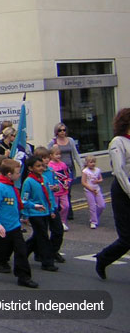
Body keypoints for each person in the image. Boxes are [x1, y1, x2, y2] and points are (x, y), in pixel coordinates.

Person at [0, 159, 44, 288]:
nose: (19, 175)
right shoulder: (0, 187)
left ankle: (23, 277)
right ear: (9, 174)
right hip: (2, 228)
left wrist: (33, 205)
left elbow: (18, 203)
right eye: (17, 173)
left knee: (21, 251)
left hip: (14, 226)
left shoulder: (11, 186)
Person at [95, 108, 130, 280]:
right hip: (123, 190)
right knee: (127, 238)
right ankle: (103, 258)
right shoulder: (118, 142)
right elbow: (120, 171)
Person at [21, 155, 56, 271]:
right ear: (30, 168)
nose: (41, 168)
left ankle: (22, 254)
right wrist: (25, 215)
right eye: (38, 166)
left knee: (37, 236)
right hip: (34, 213)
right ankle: (47, 262)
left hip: (45, 212)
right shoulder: (28, 182)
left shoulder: (44, 179)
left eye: (42, 165)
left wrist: (52, 209)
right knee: (43, 237)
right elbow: (24, 200)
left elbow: (49, 196)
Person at [33, 147, 65, 265]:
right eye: (42, 158)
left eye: (46, 158)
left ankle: (52, 251)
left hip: (52, 205)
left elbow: (56, 184)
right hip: (40, 207)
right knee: (40, 234)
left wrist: (55, 187)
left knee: (58, 230)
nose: (45, 161)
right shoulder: (33, 176)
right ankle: (39, 253)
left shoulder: (50, 171)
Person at [47, 123, 84, 221]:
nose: (62, 132)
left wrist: (82, 167)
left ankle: (68, 212)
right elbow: (48, 154)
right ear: (56, 132)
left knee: (67, 190)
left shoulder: (70, 140)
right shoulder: (53, 142)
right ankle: (58, 210)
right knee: (59, 192)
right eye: (60, 130)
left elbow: (75, 154)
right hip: (57, 171)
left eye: (64, 130)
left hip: (69, 169)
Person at [48, 145, 71, 231]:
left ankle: (63, 221)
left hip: (63, 190)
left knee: (66, 206)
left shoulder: (63, 165)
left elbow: (67, 175)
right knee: (55, 208)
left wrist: (67, 183)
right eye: (56, 154)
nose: (58, 156)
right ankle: (55, 223)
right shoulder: (49, 166)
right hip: (54, 191)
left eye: (59, 154)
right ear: (51, 155)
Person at [81, 155, 105, 229]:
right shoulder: (85, 171)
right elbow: (83, 182)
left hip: (97, 190)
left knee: (102, 205)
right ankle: (93, 222)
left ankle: (94, 217)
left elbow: (101, 179)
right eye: (91, 162)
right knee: (92, 206)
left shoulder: (97, 170)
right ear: (87, 163)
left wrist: (98, 181)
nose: (93, 164)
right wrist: (91, 189)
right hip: (89, 190)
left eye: (94, 162)